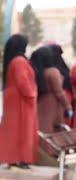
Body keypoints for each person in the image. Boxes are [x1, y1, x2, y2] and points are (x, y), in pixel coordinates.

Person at [0, 34, 38, 168]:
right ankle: (21, 158)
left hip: (14, 99)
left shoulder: (14, 60)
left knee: (14, 130)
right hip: (22, 101)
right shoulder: (20, 61)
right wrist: (32, 94)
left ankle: (14, 158)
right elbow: (23, 82)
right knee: (23, 130)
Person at [30, 47, 72, 133]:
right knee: (53, 131)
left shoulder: (37, 71)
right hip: (53, 105)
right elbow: (59, 92)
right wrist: (67, 105)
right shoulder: (53, 72)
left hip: (40, 103)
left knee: (42, 129)